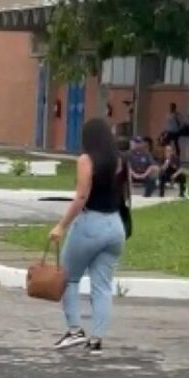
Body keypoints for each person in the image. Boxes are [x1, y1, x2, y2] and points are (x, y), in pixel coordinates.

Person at [49, 118, 128, 355]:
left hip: (91, 223)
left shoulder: (86, 160)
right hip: (115, 226)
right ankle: (96, 340)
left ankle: (74, 331)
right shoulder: (119, 160)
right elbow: (125, 193)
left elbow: (82, 197)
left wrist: (61, 226)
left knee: (68, 277)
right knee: (102, 286)